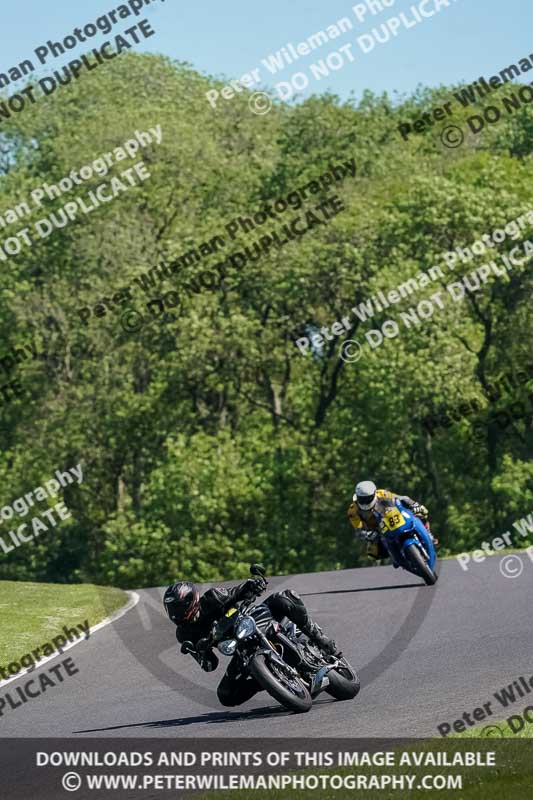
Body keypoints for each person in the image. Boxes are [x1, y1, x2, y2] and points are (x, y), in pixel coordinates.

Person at [163, 578, 340, 707]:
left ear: (190, 600)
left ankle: (319, 639)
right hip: (239, 649)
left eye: (177, 607)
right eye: (171, 609)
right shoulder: (184, 633)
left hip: (253, 621)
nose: (175, 613)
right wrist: (198, 653)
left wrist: (253, 585)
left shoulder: (213, 598)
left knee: (285, 597)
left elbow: (238, 591)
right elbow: (210, 665)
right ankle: (270, 681)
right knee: (226, 695)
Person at [347, 479, 438, 561]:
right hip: (376, 530)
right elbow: (358, 529)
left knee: (422, 511)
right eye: (362, 499)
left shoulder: (382, 493)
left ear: (374, 493)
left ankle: (427, 532)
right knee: (373, 553)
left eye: (367, 498)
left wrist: (414, 505)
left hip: (392, 517)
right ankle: (395, 555)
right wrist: (366, 534)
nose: (365, 501)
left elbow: (401, 498)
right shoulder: (353, 511)